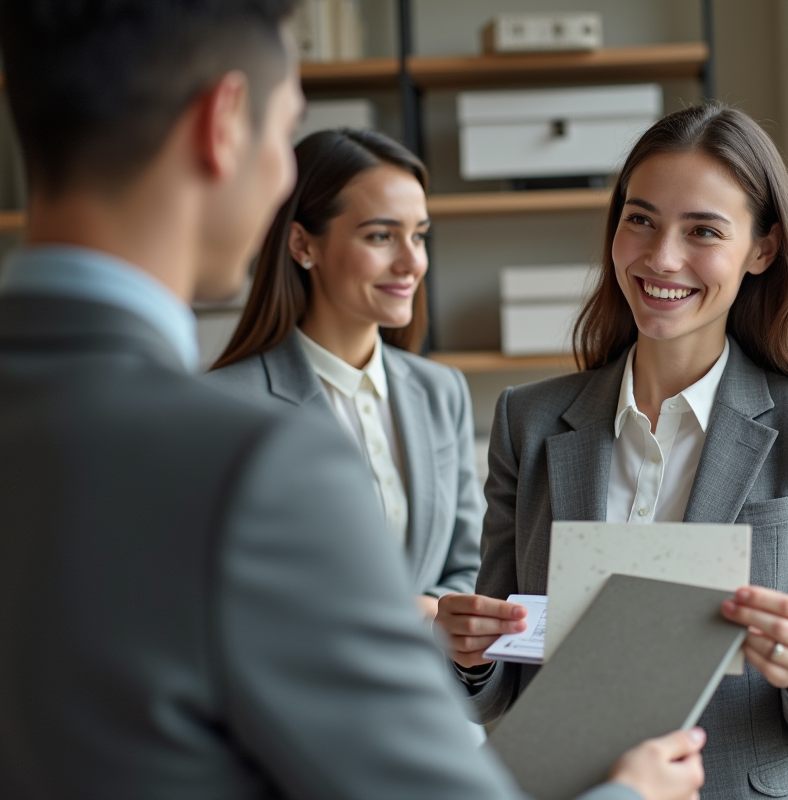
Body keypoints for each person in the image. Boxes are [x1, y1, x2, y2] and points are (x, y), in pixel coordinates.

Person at [0, 2, 705, 799]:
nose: (278, 179)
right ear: (223, 122)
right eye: (281, 132)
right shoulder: (252, 461)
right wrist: (631, 792)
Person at [437, 103, 788, 800]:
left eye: (703, 230)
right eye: (640, 219)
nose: (661, 258)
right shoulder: (526, 421)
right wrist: (471, 656)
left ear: (762, 250)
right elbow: (496, 690)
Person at [208, 129, 479, 619]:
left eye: (418, 236)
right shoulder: (223, 407)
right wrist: (416, 615)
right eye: (381, 236)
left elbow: (470, 564)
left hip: (429, 690)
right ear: (301, 245)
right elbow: (228, 591)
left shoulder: (441, 391)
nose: (412, 262)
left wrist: (440, 614)